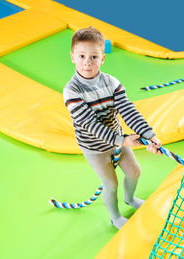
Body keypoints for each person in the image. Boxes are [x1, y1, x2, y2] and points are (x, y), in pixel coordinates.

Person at [63, 26, 162, 229]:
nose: (87, 62)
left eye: (93, 57)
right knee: (111, 184)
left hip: (117, 139)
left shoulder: (112, 83)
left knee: (134, 171)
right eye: (81, 56)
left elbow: (128, 110)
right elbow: (90, 125)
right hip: (94, 147)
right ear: (73, 56)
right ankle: (115, 217)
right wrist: (122, 140)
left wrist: (149, 135)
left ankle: (130, 199)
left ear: (102, 58)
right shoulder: (71, 91)